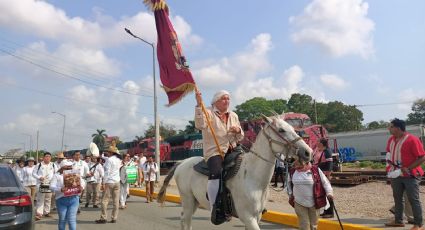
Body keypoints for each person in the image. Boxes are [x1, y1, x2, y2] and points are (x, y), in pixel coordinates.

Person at [194, 90, 244, 216]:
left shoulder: (233, 115)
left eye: (228, 98)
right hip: (215, 151)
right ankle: (213, 205)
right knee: (216, 173)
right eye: (223, 98)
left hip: (233, 148)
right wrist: (199, 105)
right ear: (216, 101)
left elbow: (240, 137)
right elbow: (200, 125)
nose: (227, 101)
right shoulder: (208, 111)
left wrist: (238, 130)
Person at [385, 118, 425, 230]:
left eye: (391, 126)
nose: (389, 128)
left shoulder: (412, 139)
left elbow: (422, 157)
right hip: (396, 174)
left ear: (397, 128)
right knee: (397, 198)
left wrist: (408, 168)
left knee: (413, 199)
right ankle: (398, 221)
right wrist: (389, 169)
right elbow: (389, 154)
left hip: (411, 175)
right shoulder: (391, 140)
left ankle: (418, 224)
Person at [288, 160, 333, 230]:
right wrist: (290, 195)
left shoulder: (315, 169)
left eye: (299, 160)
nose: (296, 162)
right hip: (298, 202)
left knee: (313, 226)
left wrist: (329, 193)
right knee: (304, 225)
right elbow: (288, 184)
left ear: (305, 161)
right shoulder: (292, 171)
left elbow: (325, 182)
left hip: (314, 202)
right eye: (295, 160)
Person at [50, 160, 85, 230]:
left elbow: (83, 182)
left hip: (74, 199)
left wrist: (82, 187)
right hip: (61, 200)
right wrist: (60, 189)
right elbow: (51, 187)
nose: (69, 169)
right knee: (62, 219)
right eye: (67, 167)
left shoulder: (75, 174)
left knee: (71, 219)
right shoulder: (56, 175)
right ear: (62, 167)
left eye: (70, 167)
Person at [95, 146, 122, 224]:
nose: (107, 153)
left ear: (111, 152)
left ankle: (103, 218)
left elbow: (107, 172)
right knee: (116, 201)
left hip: (109, 181)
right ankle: (114, 218)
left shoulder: (109, 160)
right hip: (117, 181)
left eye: (108, 152)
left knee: (104, 201)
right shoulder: (119, 159)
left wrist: (103, 183)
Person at [312, 138, 334, 218]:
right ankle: (325, 210)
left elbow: (330, 164)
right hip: (318, 174)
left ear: (322, 143)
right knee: (322, 193)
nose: (316, 143)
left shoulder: (327, 151)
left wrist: (328, 175)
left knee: (328, 192)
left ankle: (330, 212)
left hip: (324, 174)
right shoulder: (318, 150)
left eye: (318, 142)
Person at [32, 152, 56, 221]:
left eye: (49, 156)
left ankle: (47, 212)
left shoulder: (53, 165)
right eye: (46, 156)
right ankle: (39, 213)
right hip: (41, 184)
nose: (48, 158)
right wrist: (39, 177)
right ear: (43, 157)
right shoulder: (39, 165)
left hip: (50, 184)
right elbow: (33, 173)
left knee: (48, 198)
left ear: (50, 158)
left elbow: (56, 173)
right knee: (40, 199)